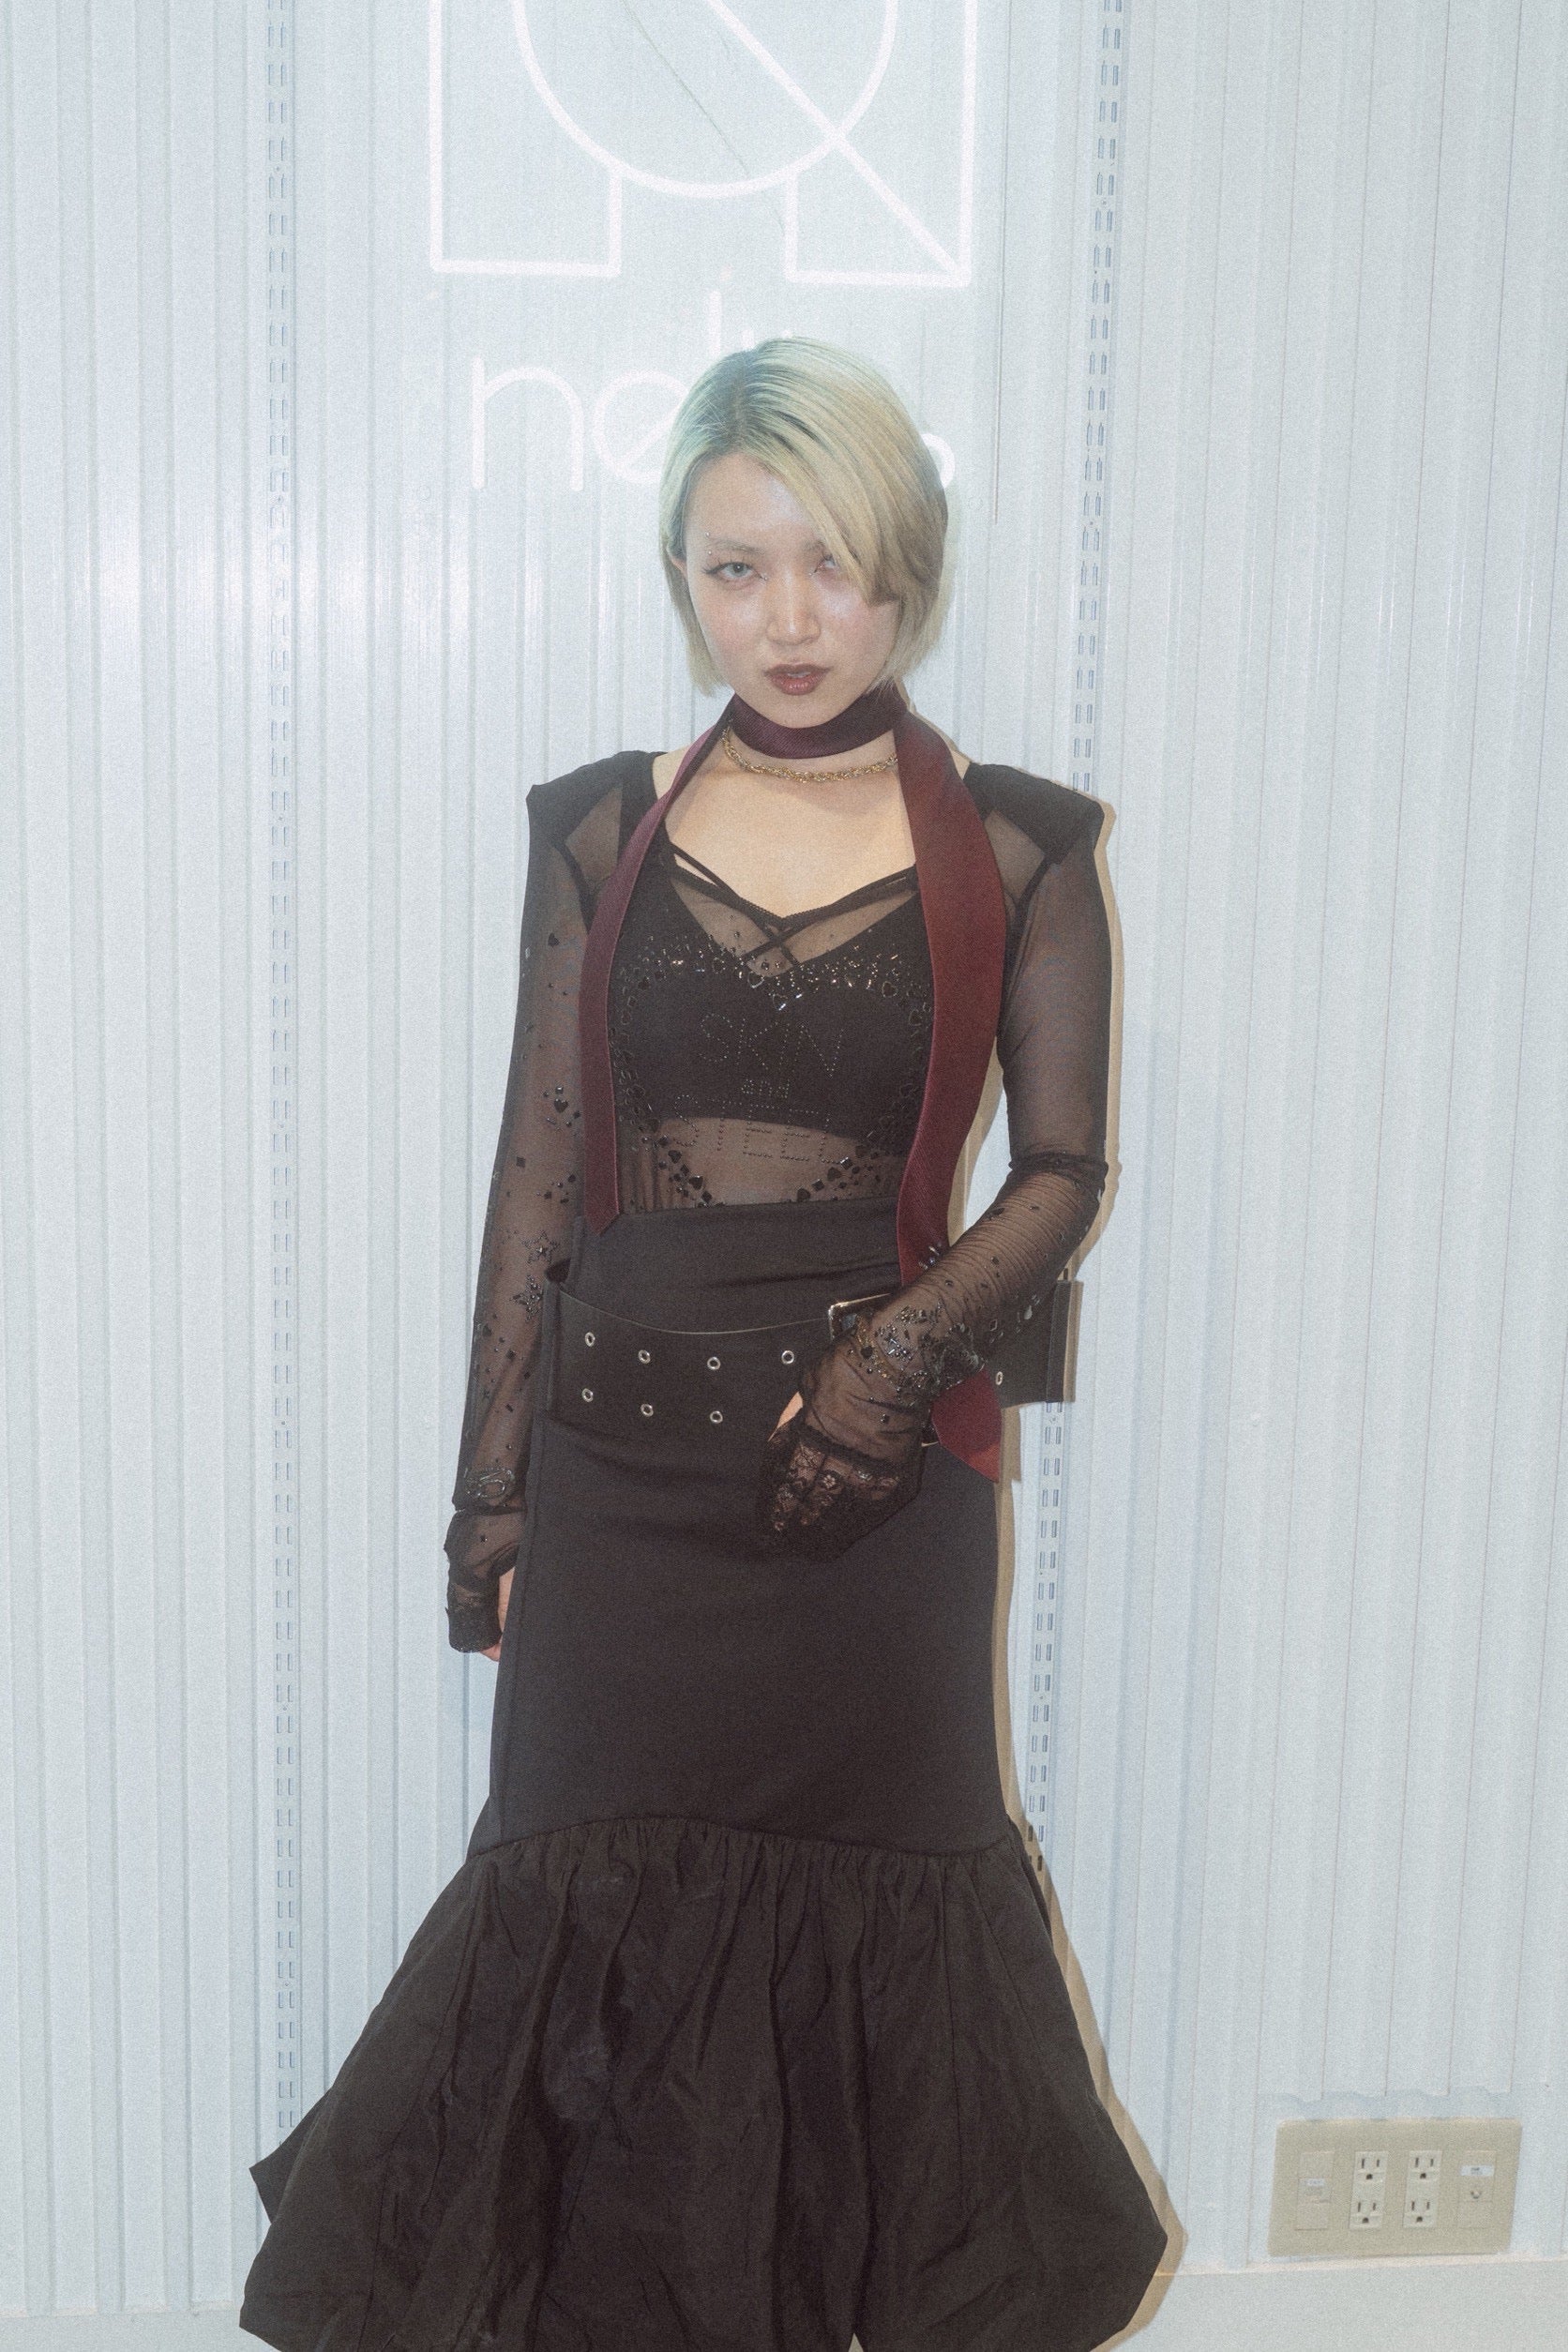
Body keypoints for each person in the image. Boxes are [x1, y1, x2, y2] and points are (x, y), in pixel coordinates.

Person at [240, 338, 1166, 2352]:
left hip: (877, 1508)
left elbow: (1064, 1170)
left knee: (886, 1908)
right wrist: (491, 1500)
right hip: (625, 1491)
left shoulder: (1020, 847)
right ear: (684, 576)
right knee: (582, 1932)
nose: (788, 619)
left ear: (907, 572)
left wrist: (889, 1369)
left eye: (833, 566)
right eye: (738, 569)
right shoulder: (599, 831)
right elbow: (538, 1177)